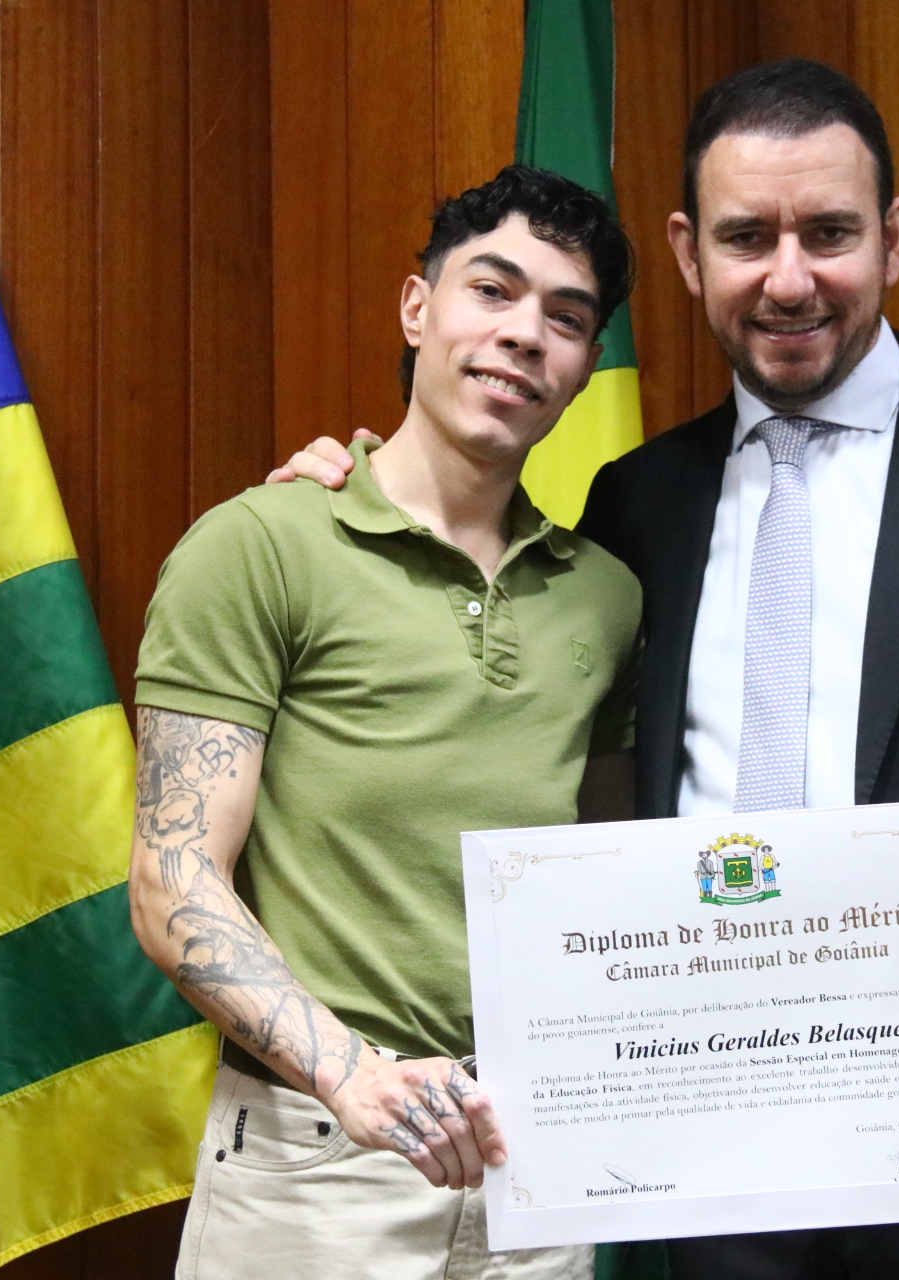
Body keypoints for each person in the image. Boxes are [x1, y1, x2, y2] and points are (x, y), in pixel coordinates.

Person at [279, 59, 899, 1280]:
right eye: (747, 237)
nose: (789, 279)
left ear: (894, 237)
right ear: (689, 255)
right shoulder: (638, 502)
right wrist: (349, 498)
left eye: (829, 233)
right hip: (713, 1166)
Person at [129, 164, 641, 1280]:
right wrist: (354, 1077)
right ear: (418, 308)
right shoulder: (261, 545)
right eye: (491, 290)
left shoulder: (607, 595)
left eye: (565, 318)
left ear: (586, 365)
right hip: (316, 1158)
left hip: (533, 1162)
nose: (524, 334)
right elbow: (173, 879)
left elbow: (601, 879)